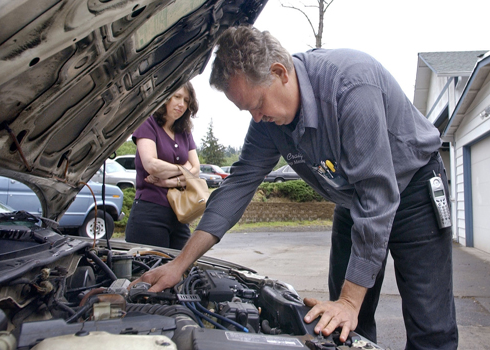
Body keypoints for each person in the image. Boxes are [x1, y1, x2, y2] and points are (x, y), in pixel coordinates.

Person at [128, 27, 458, 349]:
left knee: (429, 325)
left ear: (280, 72)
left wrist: (348, 300)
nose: (256, 118)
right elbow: (239, 185)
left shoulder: (350, 85)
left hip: (412, 191)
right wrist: (179, 264)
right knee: (343, 330)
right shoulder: (267, 122)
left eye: (257, 104)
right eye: (247, 111)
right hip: (351, 199)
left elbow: (377, 195)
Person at [125, 82, 200, 249]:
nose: (181, 104)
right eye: (177, 97)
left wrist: (168, 182)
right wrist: (184, 169)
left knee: (181, 271)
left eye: (186, 100)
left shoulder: (185, 132)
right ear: (165, 98)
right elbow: (151, 164)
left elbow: (196, 169)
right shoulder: (147, 123)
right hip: (149, 214)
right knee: (149, 271)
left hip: (180, 214)